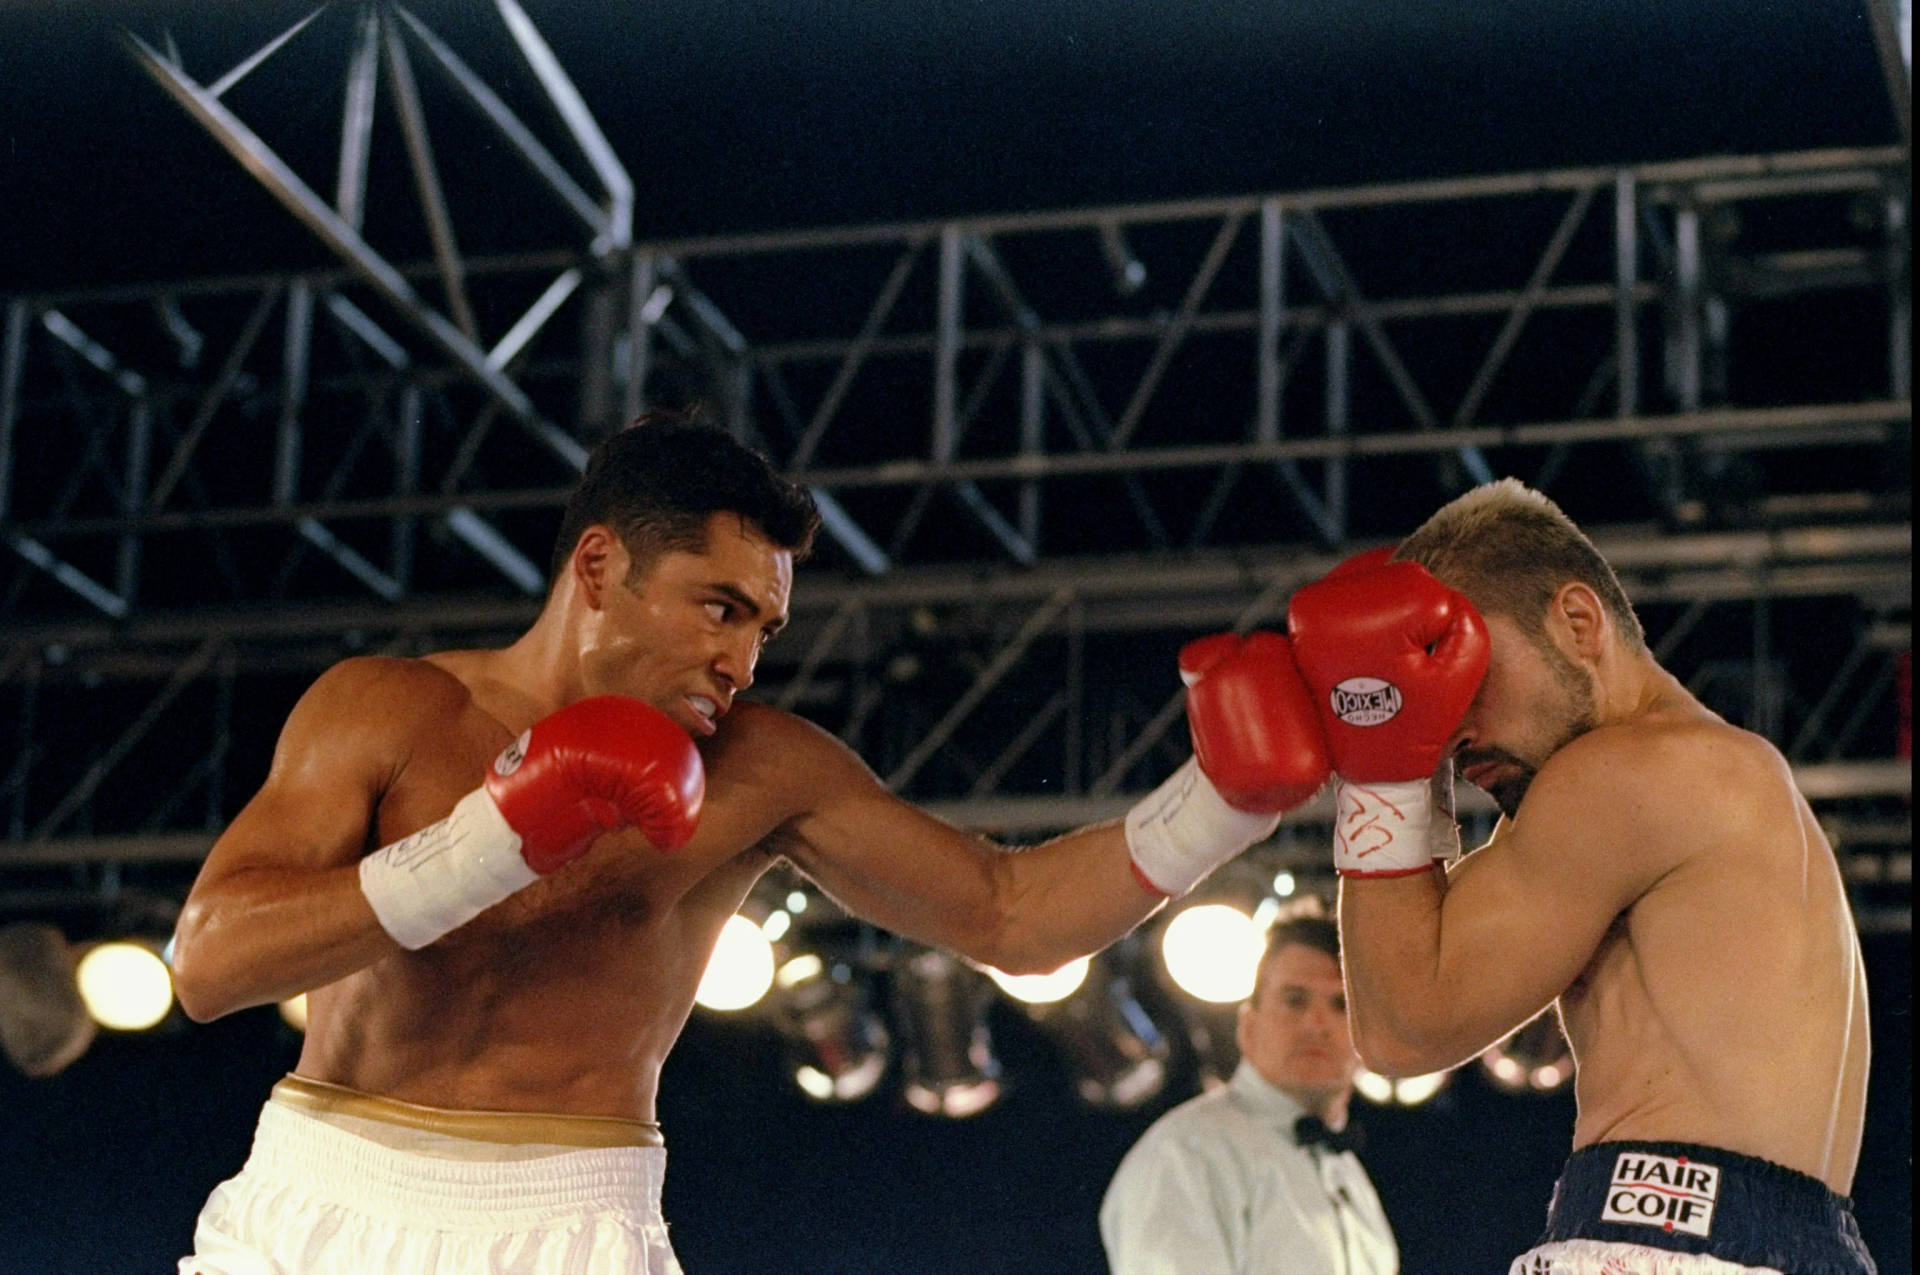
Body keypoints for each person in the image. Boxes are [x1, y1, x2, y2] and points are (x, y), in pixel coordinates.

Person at [168, 412, 1335, 1275]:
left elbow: (1009, 914)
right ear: (598, 568)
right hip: (318, 1193)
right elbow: (210, 966)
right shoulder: (389, 711)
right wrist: (487, 840)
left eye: (765, 626)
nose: (743, 662)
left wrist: (1223, 800)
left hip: (571, 1222)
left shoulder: (764, 769)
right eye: (717, 607)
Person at [1282, 478, 1876, 1275]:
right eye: (1429, 690)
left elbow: (1402, 1025)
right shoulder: (1738, 778)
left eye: (1464, 676)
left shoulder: (1623, 772)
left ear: (1577, 621)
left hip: (1665, 1237)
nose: (1447, 726)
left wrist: (1380, 764)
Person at [1099, 911, 1399, 1275]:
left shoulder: (1352, 1177)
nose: (1317, 1024)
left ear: (1366, 1039)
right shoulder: (1187, 1152)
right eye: (1295, 999)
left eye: (1341, 1006)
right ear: (1247, 1026)